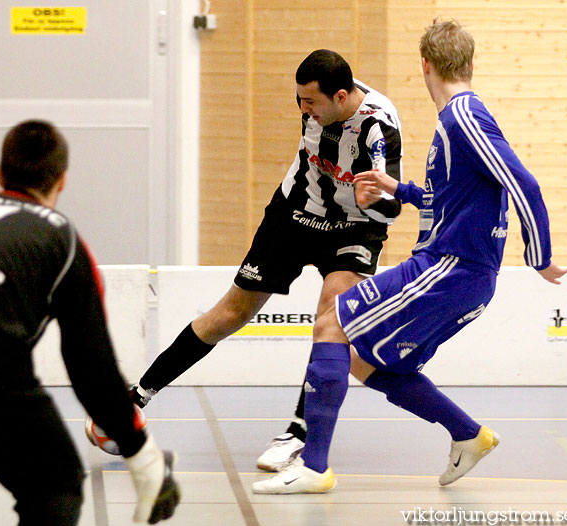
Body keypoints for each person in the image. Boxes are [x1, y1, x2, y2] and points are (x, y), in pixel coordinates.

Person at [252, 19, 567, 494]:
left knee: (331, 323)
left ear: (425, 65)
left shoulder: (463, 117)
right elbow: (452, 202)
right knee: (363, 360)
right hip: (462, 275)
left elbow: (522, 182)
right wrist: (398, 189)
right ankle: (468, 434)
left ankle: (314, 467)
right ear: (470, 63)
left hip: (449, 268)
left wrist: (540, 256)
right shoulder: (458, 118)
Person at [0, 120, 180, 524]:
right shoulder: (63, 238)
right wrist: (141, 456)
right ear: (62, 181)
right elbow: (90, 365)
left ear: (1, 173)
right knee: (54, 483)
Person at [128, 49, 404, 471]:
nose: (303, 110)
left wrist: (374, 200)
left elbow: (391, 208)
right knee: (230, 312)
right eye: (299, 100)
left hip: (354, 226)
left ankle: (297, 432)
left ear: (342, 96)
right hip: (293, 214)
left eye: (310, 102)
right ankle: (137, 397)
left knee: (332, 318)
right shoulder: (315, 109)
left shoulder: (378, 125)